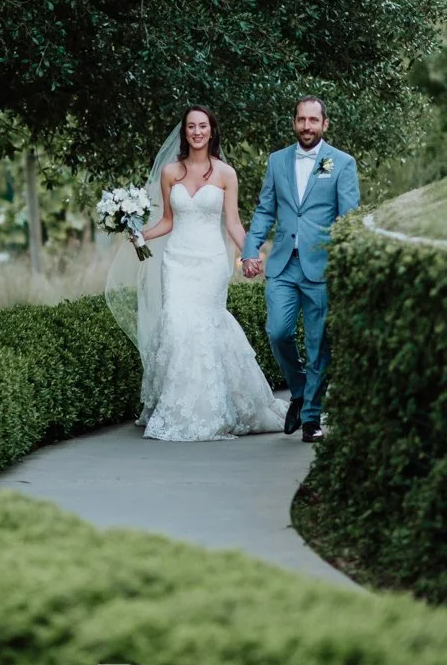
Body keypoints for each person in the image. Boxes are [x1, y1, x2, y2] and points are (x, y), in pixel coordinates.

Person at [107, 106, 287, 442]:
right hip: (176, 260)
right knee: (176, 323)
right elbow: (168, 221)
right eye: (191, 126)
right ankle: (177, 407)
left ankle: (213, 409)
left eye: (203, 126)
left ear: (211, 131)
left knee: (206, 326)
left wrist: (251, 253)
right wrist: (140, 233)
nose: (197, 132)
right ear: (185, 132)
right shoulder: (170, 173)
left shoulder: (225, 174)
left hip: (210, 262)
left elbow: (232, 222)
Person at [240, 97, 360, 443]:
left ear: (325, 124)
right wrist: (251, 250)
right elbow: (265, 211)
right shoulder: (277, 161)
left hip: (321, 266)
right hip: (282, 264)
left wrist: (343, 261)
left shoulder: (341, 163)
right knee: (277, 331)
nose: (306, 126)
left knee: (319, 342)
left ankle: (311, 417)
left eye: (313, 120)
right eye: (300, 120)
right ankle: (300, 388)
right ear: (294, 122)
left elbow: (348, 217)